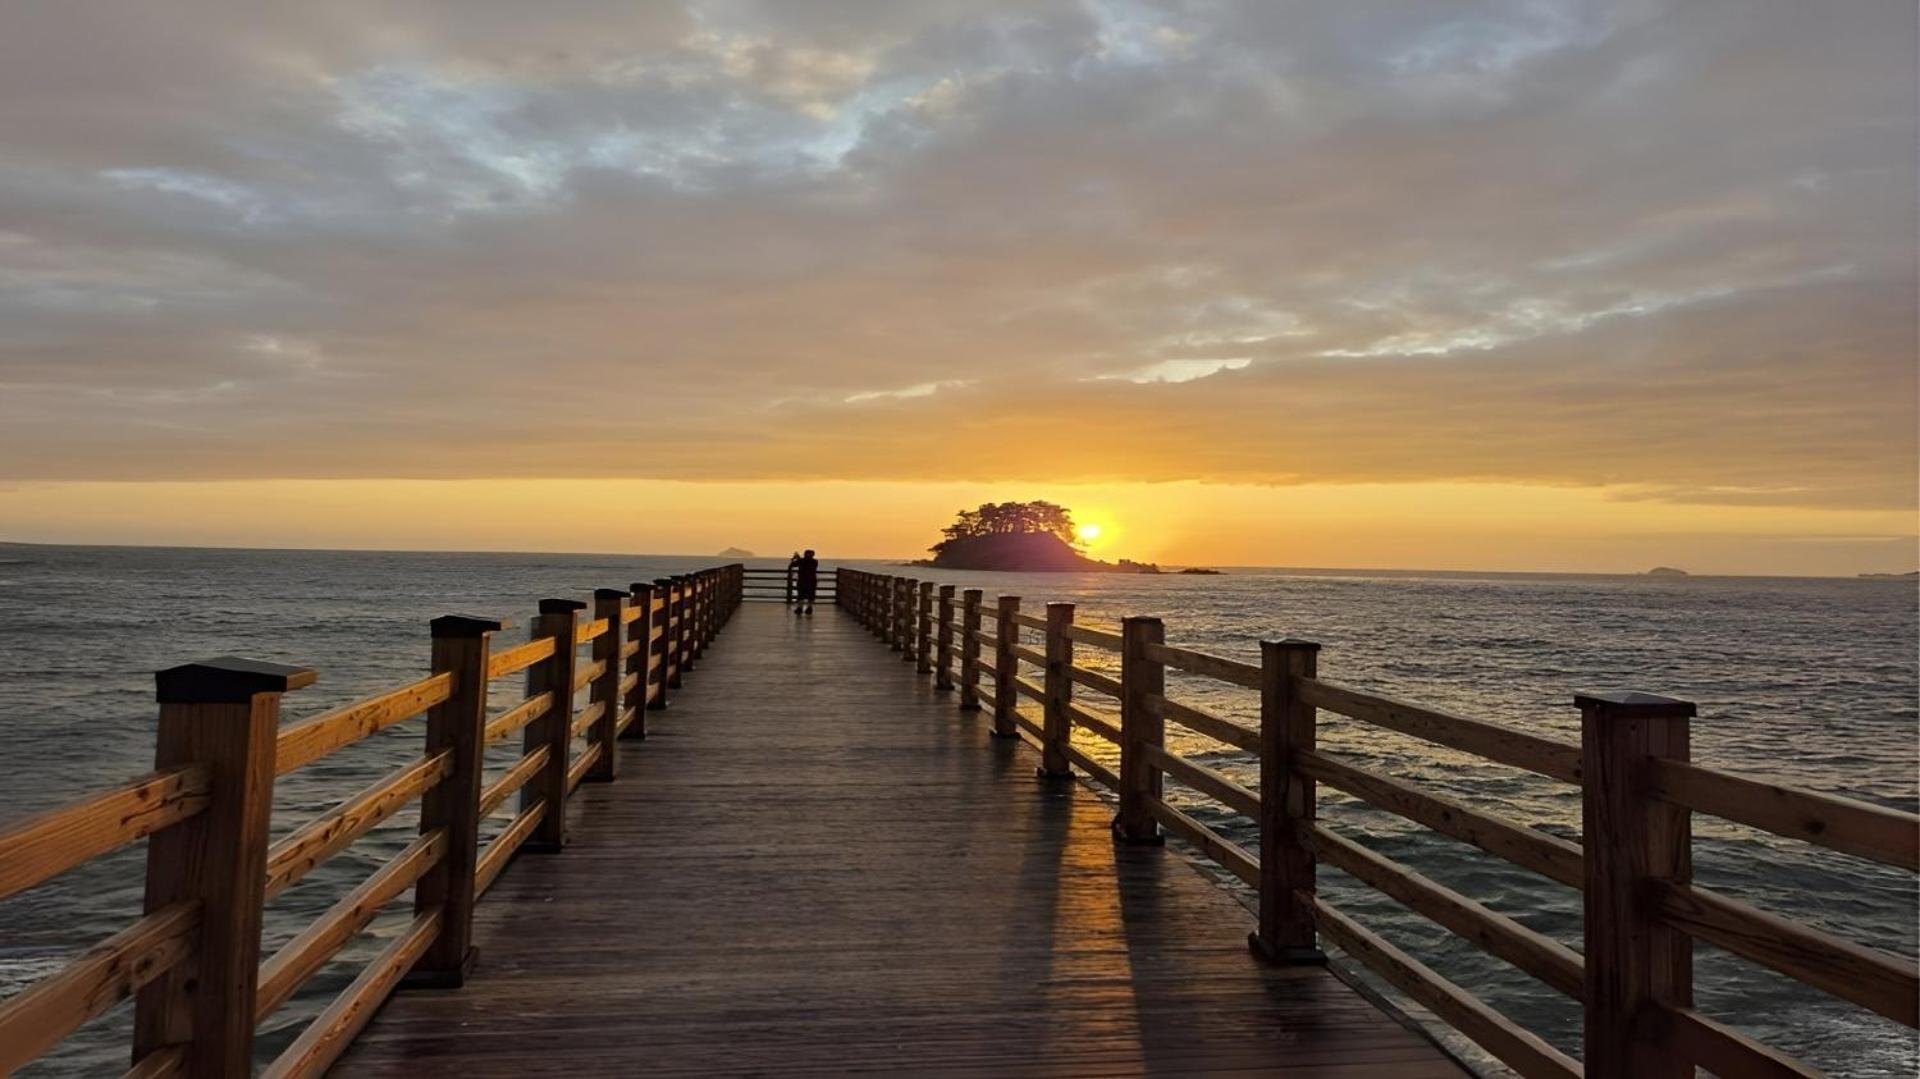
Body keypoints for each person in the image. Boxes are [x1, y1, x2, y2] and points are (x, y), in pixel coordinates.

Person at [794, 549, 819, 615]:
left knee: (801, 595)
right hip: (811, 581)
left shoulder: (803, 561)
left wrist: (797, 558)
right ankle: (808, 608)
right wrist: (798, 558)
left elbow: (793, 565)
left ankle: (801, 608)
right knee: (809, 595)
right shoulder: (815, 561)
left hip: (803, 581)